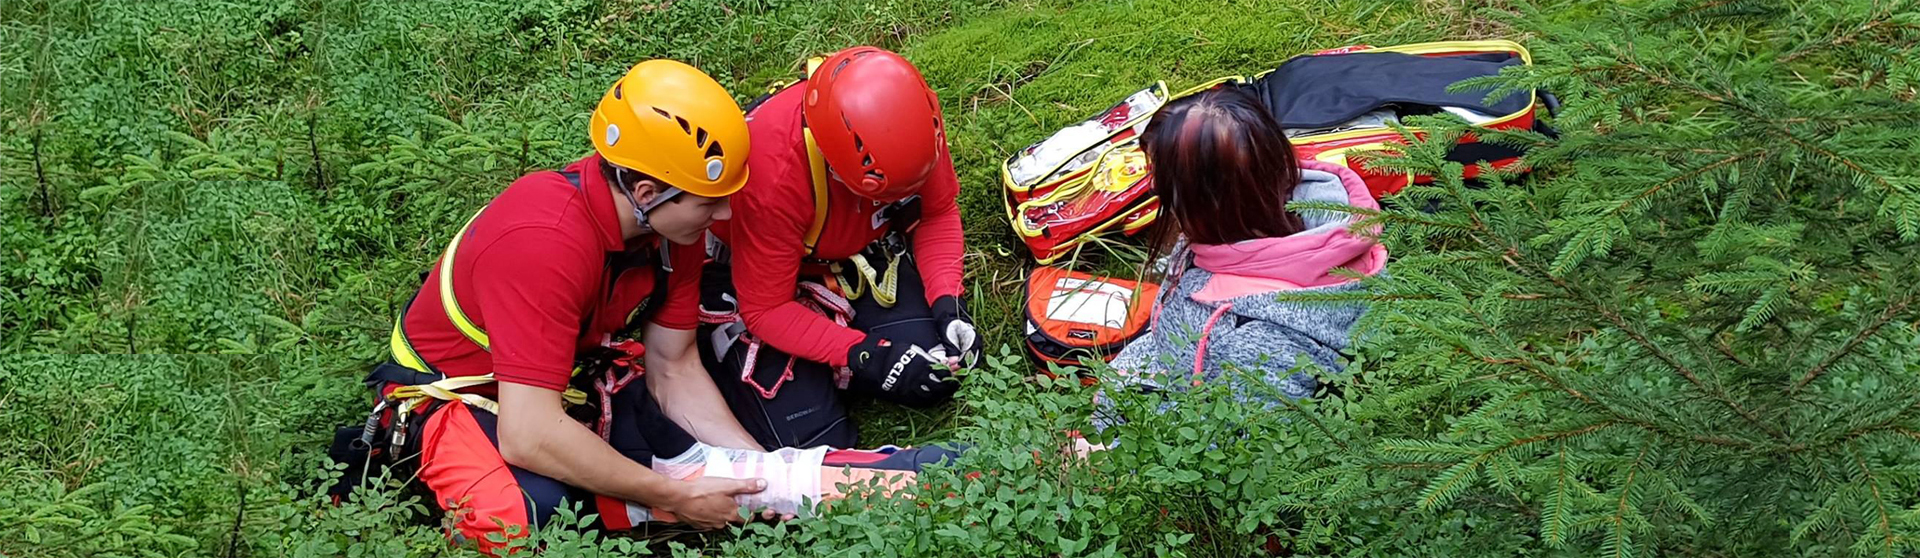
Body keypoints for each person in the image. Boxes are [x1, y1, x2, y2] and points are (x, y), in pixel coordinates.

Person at [373, 59, 778, 553]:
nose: (725, 213)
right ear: (646, 192)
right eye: (709, 202)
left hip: (551, 383)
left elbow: (673, 367)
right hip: (456, 396)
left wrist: (763, 475)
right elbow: (529, 433)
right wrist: (678, 497)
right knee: (528, 519)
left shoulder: (670, 226)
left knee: (671, 446)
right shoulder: (543, 241)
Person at [698, 46, 973, 449]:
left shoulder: (911, 122)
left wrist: (948, 302)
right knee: (814, 441)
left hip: (844, 259)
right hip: (751, 279)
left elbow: (936, 213)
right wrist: (866, 355)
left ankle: (836, 354)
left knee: (937, 372)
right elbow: (766, 308)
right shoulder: (772, 174)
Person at [1105, 85, 1387, 407]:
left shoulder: (1253, 341)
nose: (1154, 186)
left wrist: (1105, 444)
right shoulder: (1296, 210)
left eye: (1165, 181)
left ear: (1211, 199)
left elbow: (1237, 447)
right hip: (1162, 372)